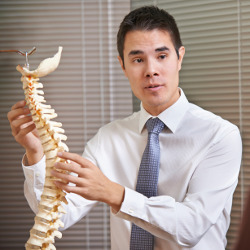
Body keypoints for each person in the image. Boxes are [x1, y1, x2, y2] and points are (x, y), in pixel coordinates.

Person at [7, 5, 242, 250]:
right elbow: (60, 215)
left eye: (162, 56)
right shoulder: (108, 138)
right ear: (122, 65)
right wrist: (36, 153)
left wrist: (115, 194)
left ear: (180, 57)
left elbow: (192, 226)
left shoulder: (220, 136)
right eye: (138, 59)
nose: (151, 70)